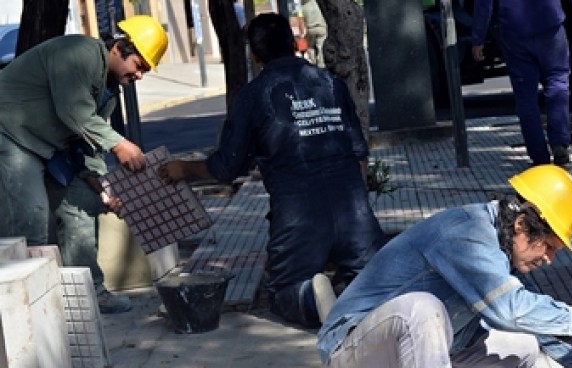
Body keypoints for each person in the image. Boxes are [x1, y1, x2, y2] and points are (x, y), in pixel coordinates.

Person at [316, 164, 572, 368]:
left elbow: (536, 318)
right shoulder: (466, 234)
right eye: (549, 247)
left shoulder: (501, 252)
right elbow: (511, 309)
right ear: (522, 225)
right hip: (351, 355)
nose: (549, 260)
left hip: (403, 361)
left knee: (523, 347)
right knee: (422, 309)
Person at [159, 13, 386, 329]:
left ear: (254, 55)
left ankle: (310, 296)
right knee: (372, 277)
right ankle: (354, 290)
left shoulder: (253, 96)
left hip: (299, 216)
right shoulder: (332, 84)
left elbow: (227, 167)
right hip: (354, 211)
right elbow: (360, 156)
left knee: (284, 291)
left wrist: (183, 169)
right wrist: (357, 213)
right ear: (294, 45)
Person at [0, 15, 168, 313]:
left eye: (145, 70)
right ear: (119, 48)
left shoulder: (107, 91)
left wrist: (100, 183)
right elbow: (73, 111)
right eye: (139, 65)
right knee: (31, 219)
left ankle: (89, 292)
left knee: (83, 201)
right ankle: (30, 310)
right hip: (10, 134)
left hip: (44, 145)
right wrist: (120, 144)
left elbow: (87, 143)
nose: (140, 75)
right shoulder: (80, 53)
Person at [470, 0, 572, 166]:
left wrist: (478, 38)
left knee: (525, 97)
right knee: (557, 83)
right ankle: (559, 142)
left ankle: (539, 156)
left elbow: (483, 3)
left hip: (514, 31)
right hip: (549, 25)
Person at [288, 0, 328, 68]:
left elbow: (298, 17)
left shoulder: (303, 7)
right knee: (321, 46)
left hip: (310, 29)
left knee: (310, 46)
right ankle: (321, 63)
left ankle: (313, 62)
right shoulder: (320, 5)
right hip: (322, 28)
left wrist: (302, 33)